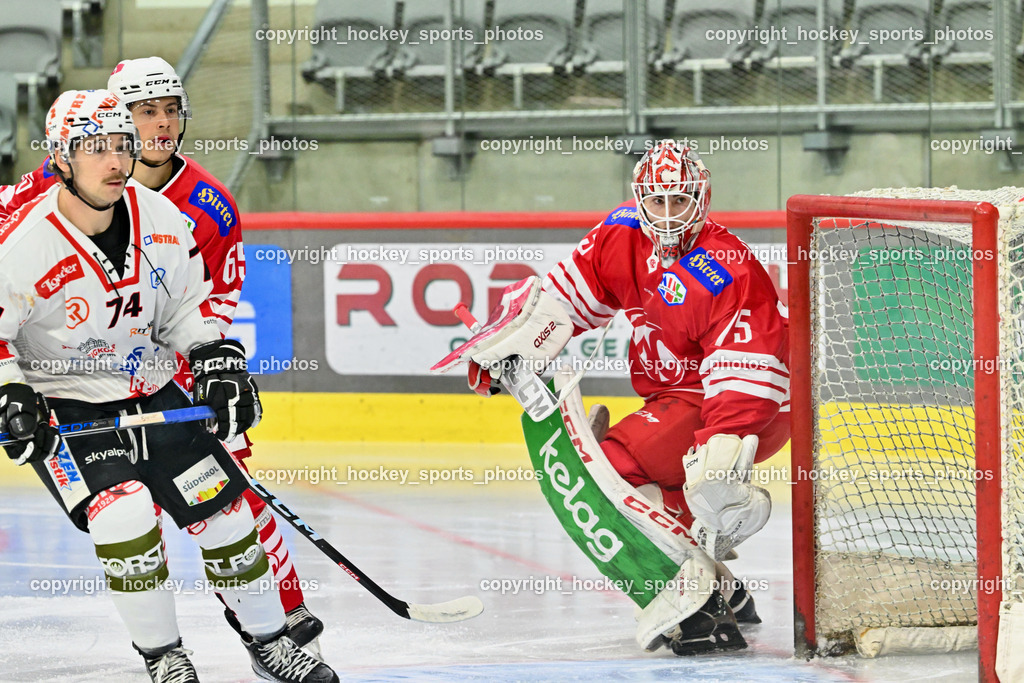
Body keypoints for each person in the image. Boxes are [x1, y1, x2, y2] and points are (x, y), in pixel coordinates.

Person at [0, 89, 337, 683]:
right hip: (69, 407)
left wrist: (215, 357)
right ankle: (164, 656)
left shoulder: (160, 217)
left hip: (154, 390)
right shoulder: (24, 244)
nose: (113, 162)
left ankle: (270, 643)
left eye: (121, 146)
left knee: (228, 516)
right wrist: (10, 392)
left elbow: (184, 310)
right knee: (123, 514)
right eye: (93, 149)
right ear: (59, 156)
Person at [449, 140, 790, 655]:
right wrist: (512, 352)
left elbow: (748, 365)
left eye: (680, 200)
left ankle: (699, 610)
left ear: (702, 198)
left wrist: (723, 442)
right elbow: (561, 304)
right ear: (639, 199)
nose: (669, 214)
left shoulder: (726, 267)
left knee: (613, 466)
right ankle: (722, 593)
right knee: (664, 491)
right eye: (657, 201)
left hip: (750, 399)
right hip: (680, 396)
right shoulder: (621, 234)